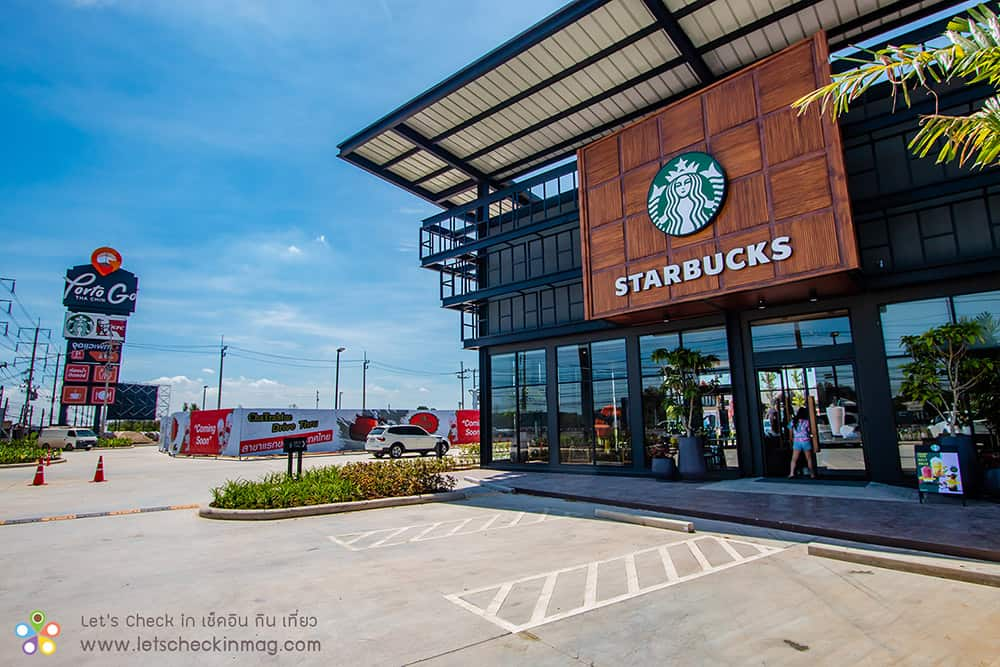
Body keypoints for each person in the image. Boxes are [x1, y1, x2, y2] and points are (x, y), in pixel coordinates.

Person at [788, 407, 816, 479]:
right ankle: (812, 474)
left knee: (794, 458)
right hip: (806, 440)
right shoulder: (807, 422)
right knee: (809, 458)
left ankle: (791, 473)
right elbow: (810, 431)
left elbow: (790, 433)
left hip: (797, 441)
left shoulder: (793, 422)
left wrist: (791, 440)